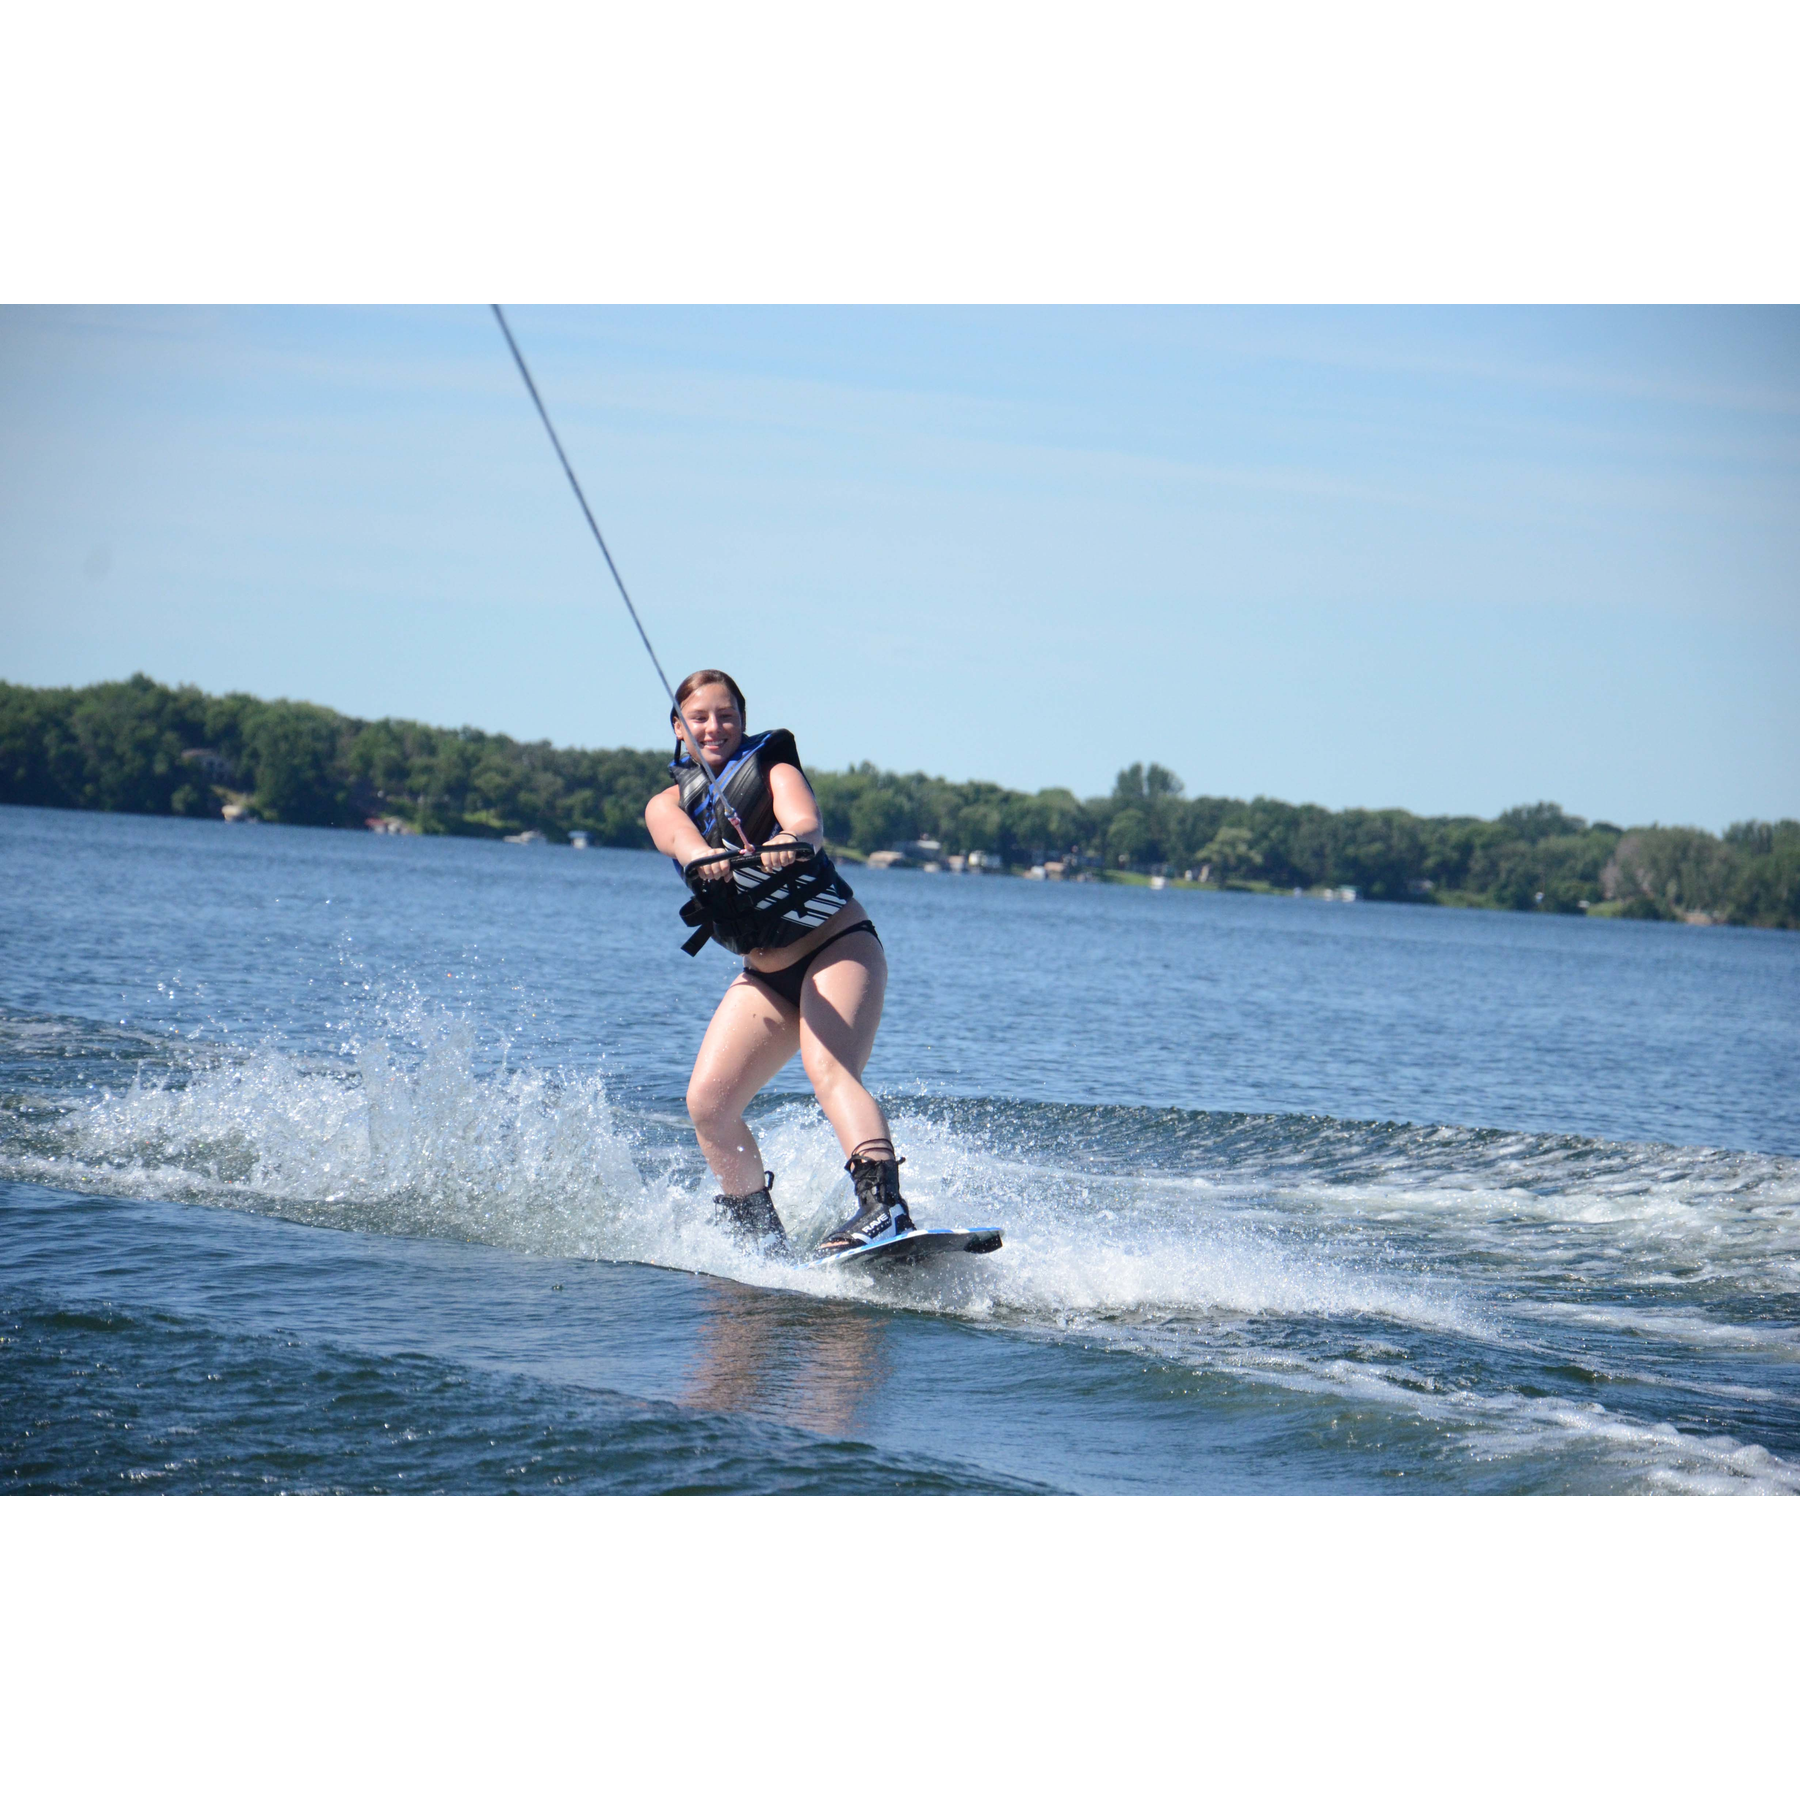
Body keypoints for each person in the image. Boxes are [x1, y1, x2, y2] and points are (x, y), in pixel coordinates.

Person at [643, 669, 916, 1258]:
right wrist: (703, 858)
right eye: (699, 717)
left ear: (742, 722)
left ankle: (884, 1208)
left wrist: (786, 843)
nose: (714, 727)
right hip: (766, 975)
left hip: (837, 946)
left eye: (727, 716)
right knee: (709, 1103)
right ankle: (758, 1237)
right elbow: (677, 838)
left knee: (828, 1067)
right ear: (678, 727)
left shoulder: (773, 769)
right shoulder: (666, 805)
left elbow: (806, 823)